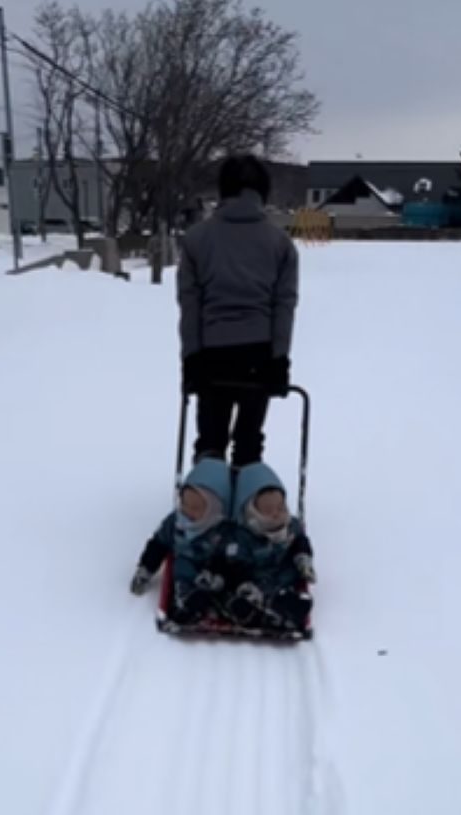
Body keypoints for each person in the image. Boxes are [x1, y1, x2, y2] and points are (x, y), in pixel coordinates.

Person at [177, 155, 300, 468]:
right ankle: (252, 501)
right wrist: (279, 359)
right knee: (248, 440)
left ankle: (205, 500)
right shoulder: (281, 243)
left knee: (210, 440)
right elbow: (284, 306)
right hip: (259, 355)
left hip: (210, 353)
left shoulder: (196, 240)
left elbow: (189, 305)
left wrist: (191, 359)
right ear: (263, 191)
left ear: (223, 190)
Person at [129, 458, 233, 625]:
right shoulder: (176, 521)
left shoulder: (223, 527)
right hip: (187, 562)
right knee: (182, 568)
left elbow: (233, 555)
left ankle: (226, 603)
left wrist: (219, 573)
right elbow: (158, 544)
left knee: (230, 573)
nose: (189, 512)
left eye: (197, 508)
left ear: (215, 508)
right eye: (185, 504)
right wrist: (146, 568)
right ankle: (186, 599)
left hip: (215, 567)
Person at [222, 461, 315, 631]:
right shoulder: (242, 534)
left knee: (288, 583)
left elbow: (300, 542)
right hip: (251, 580)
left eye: (280, 507)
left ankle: (282, 607)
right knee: (233, 591)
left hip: (280, 576)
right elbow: (233, 565)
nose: (276, 514)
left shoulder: (290, 526)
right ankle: (249, 609)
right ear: (252, 510)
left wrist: (303, 558)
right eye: (268, 509)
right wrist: (242, 581)